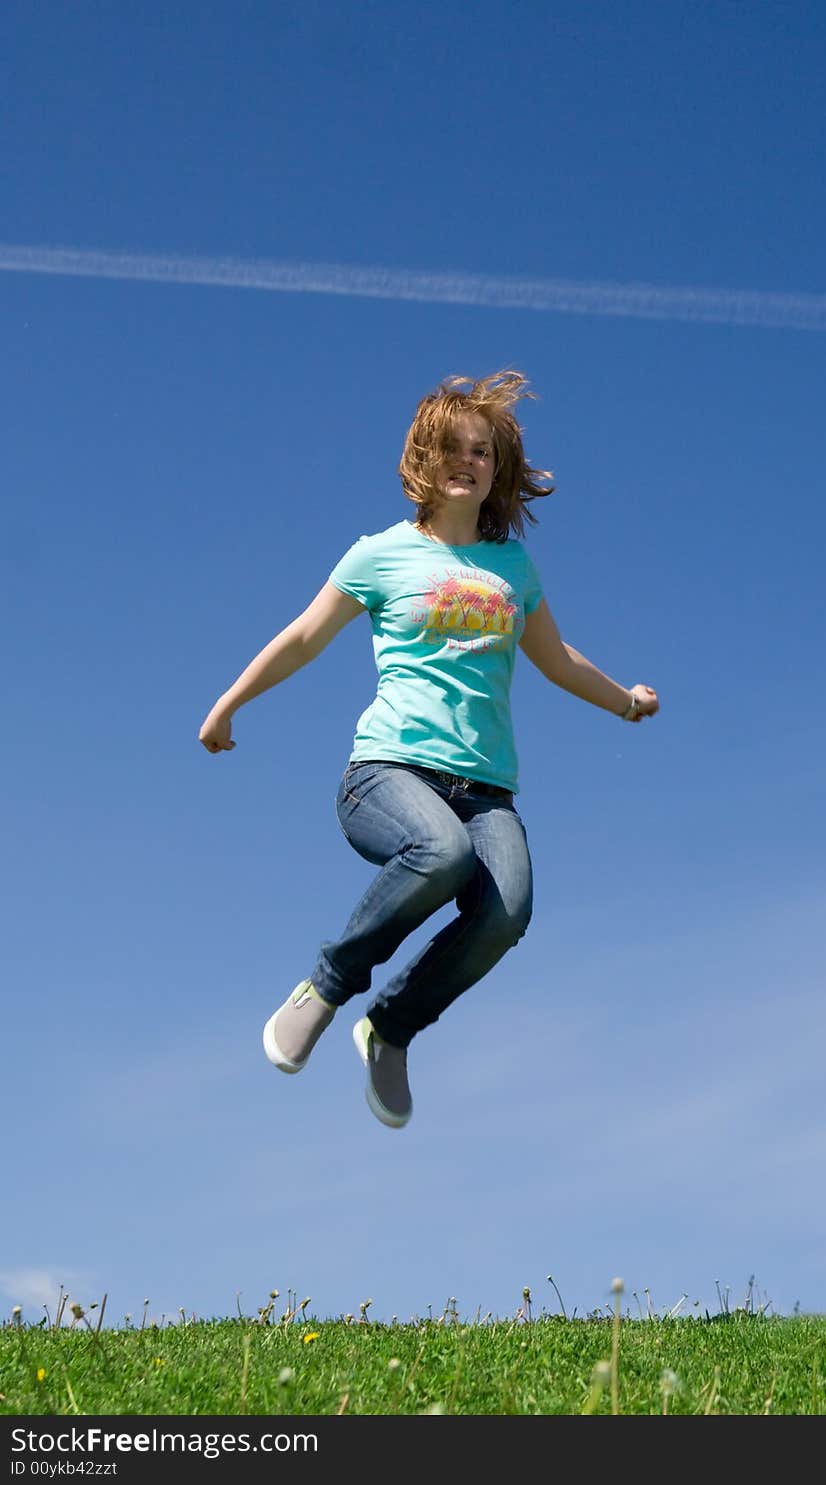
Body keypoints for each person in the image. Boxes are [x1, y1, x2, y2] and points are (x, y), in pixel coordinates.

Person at [199, 370, 659, 1130]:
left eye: (480, 450)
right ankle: (326, 983)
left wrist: (624, 701)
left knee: (508, 909)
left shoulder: (512, 570)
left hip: (486, 792)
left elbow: (557, 658)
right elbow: (304, 637)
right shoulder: (381, 554)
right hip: (387, 774)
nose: (465, 460)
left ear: (496, 471)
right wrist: (231, 701)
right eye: (450, 446)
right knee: (438, 852)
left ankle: (392, 1027)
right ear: (423, 458)